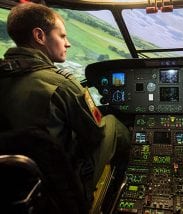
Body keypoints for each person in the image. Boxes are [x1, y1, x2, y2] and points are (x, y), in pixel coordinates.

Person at [0, 2, 130, 211]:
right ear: (39, 36)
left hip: (13, 187)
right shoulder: (61, 84)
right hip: (62, 186)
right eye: (62, 36)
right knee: (113, 124)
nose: (68, 43)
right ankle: (126, 176)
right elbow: (95, 134)